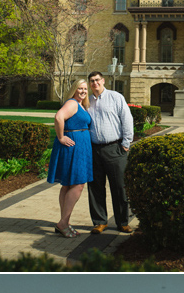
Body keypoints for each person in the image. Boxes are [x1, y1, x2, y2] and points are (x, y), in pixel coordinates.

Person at [87, 73, 134, 234]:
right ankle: (100, 221)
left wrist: (126, 143)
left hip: (115, 148)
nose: (95, 83)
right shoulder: (87, 101)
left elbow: (127, 119)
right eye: (92, 81)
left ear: (103, 81)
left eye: (97, 80)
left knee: (119, 187)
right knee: (95, 187)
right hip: (94, 149)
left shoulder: (115, 97)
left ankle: (122, 222)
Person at [46, 80, 94, 238]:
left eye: (85, 89)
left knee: (67, 185)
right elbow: (59, 117)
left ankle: (64, 223)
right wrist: (60, 137)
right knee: (78, 185)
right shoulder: (72, 103)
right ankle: (63, 223)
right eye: (80, 88)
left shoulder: (80, 104)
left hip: (78, 147)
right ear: (74, 90)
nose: (83, 91)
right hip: (72, 147)